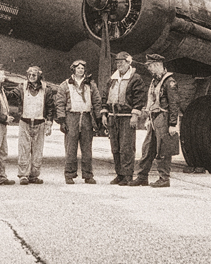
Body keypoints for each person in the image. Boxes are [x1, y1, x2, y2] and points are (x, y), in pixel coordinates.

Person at [132, 53, 181, 187]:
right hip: (154, 118)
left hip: (164, 118)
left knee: (163, 150)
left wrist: (172, 124)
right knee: (148, 148)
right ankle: (142, 177)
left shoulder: (169, 82)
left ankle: (164, 178)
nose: (149, 69)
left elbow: (174, 104)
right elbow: (152, 100)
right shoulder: (156, 81)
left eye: (151, 66)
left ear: (158, 65)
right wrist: (148, 117)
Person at [55, 60, 103, 184]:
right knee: (71, 148)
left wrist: (98, 118)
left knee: (87, 148)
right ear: (73, 70)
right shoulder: (65, 85)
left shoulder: (91, 85)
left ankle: (88, 175)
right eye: (78, 68)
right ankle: (69, 174)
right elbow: (60, 103)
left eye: (82, 68)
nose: (80, 70)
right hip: (72, 117)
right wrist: (62, 120)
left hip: (86, 117)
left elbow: (97, 101)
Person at [102, 52, 146, 186]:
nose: (119, 65)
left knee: (126, 147)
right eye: (117, 63)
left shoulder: (135, 78)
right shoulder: (112, 79)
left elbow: (139, 98)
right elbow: (105, 96)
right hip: (113, 116)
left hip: (127, 117)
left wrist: (135, 115)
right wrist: (104, 113)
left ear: (129, 63)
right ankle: (119, 174)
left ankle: (127, 175)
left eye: (122, 62)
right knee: (115, 147)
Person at [10, 66, 56, 185]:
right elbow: (11, 96)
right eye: (29, 75)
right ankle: (23, 175)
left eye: (34, 75)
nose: (31, 77)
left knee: (37, 151)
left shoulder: (46, 89)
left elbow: (51, 107)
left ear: (39, 76)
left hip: (40, 122)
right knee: (24, 150)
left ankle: (34, 175)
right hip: (25, 121)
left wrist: (49, 122)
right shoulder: (22, 87)